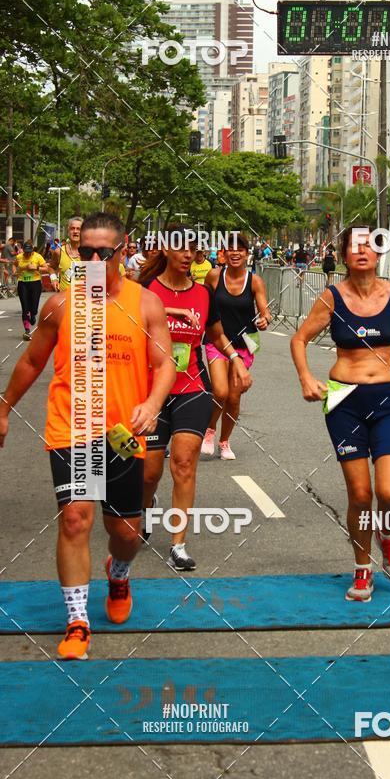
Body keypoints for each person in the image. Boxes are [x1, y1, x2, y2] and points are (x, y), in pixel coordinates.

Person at [0, 212, 176, 659]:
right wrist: (3, 408)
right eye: (86, 252)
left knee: (126, 533)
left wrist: (152, 404)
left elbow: (165, 364)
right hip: (73, 427)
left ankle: (118, 573)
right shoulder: (61, 306)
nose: (94, 261)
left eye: (104, 252)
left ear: (123, 249)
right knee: (76, 519)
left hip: (123, 434)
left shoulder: (145, 304)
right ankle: (77, 621)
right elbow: (31, 361)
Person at [291, 227, 390, 602]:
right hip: (342, 400)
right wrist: (306, 378)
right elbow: (299, 339)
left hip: (388, 398)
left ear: (379, 252)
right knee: (359, 494)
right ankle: (362, 568)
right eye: (354, 246)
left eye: (369, 244)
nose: (362, 251)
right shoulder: (332, 297)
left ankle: (387, 533)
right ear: (344, 256)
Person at [138, 229, 251, 568]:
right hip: (152, 393)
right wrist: (171, 311)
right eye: (181, 248)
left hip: (191, 388)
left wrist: (235, 359)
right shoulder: (146, 290)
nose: (188, 254)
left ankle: (178, 544)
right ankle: (146, 508)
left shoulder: (203, 294)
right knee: (149, 473)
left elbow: (216, 334)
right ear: (165, 250)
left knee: (184, 465)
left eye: (193, 249)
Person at [202, 233, 270, 460]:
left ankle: (224, 441)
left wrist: (264, 319)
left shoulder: (255, 281)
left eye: (240, 249)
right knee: (220, 391)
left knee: (233, 397)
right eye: (230, 249)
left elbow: (265, 311)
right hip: (218, 341)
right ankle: (209, 430)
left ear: (246, 254)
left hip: (245, 343)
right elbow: (203, 304)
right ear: (223, 253)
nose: (235, 253)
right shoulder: (213, 276)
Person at [15, 241, 50, 340]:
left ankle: (33, 314)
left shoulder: (38, 257)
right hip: (22, 283)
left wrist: (36, 267)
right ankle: (27, 330)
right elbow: (15, 265)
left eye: (29, 252)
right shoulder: (19, 257)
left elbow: (47, 268)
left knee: (33, 308)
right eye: (26, 252)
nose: (27, 254)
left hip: (35, 283)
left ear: (32, 251)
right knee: (25, 307)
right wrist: (15, 272)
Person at [48, 216, 83, 291]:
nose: (75, 231)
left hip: (83, 297)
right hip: (64, 296)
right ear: (68, 231)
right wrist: (53, 279)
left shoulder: (91, 253)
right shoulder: (59, 251)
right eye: (72, 228)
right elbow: (51, 267)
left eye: (78, 229)